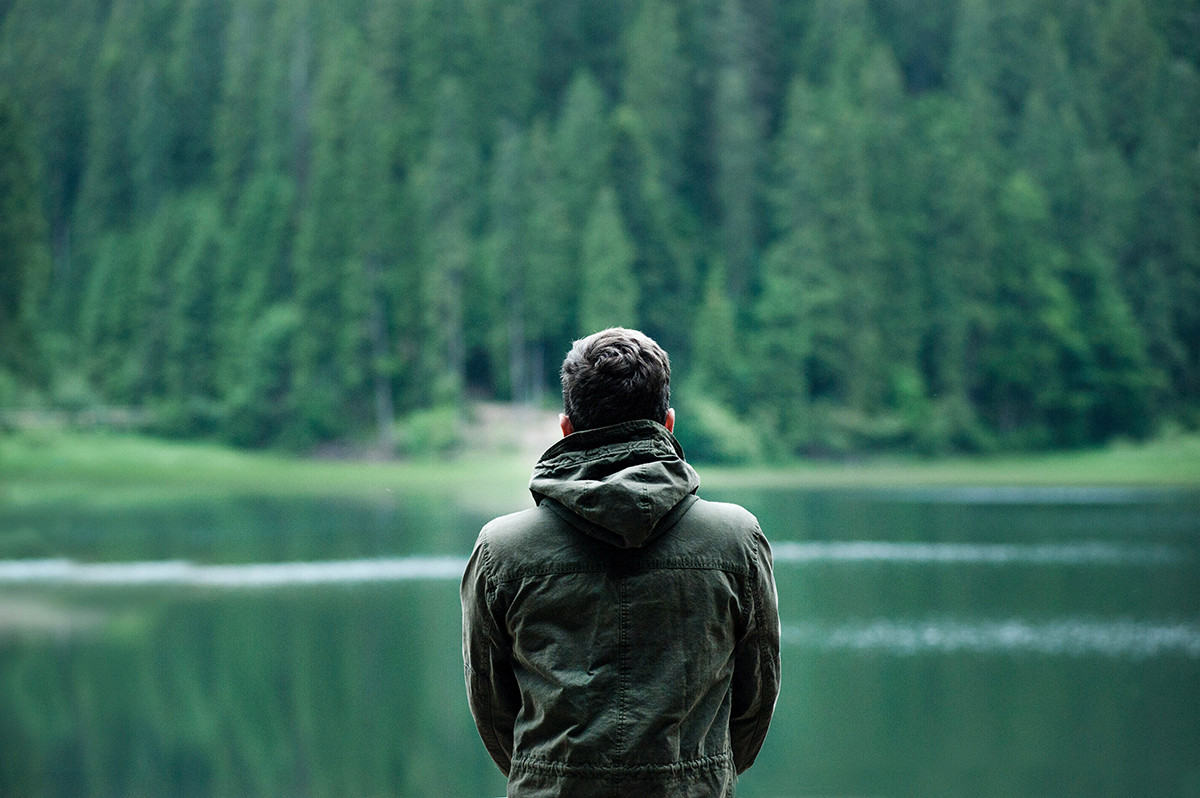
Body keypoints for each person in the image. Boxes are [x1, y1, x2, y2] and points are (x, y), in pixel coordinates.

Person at [461, 327, 781, 797]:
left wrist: (554, 775)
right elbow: (756, 698)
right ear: (668, 423)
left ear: (566, 428)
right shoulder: (736, 540)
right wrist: (697, 776)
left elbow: (492, 708)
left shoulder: (501, 550)